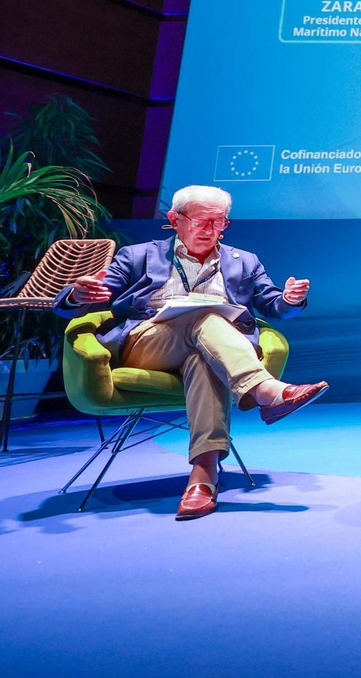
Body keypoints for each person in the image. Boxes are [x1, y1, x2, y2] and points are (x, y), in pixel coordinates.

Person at [51, 186, 327, 520]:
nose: (211, 230)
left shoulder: (245, 261)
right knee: (203, 314)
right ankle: (267, 391)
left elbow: (274, 306)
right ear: (174, 219)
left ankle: (203, 478)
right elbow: (88, 297)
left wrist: (291, 299)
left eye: (219, 222)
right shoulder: (138, 256)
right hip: (149, 343)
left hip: (215, 351)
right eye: (202, 221)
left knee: (203, 358)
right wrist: (77, 296)